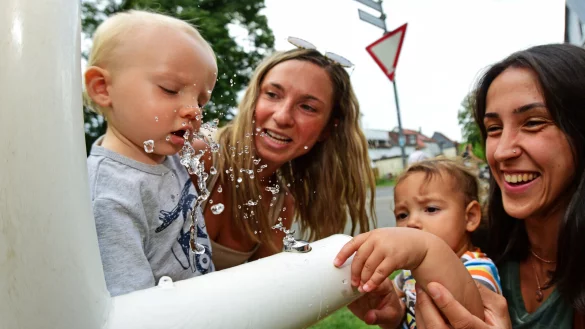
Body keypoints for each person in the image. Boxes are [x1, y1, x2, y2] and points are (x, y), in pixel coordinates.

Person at [351, 43, 585, 329]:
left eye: (533, 122)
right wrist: (396, 318)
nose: (501, 152)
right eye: (494, 129)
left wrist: (425, 248)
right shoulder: (488, 246)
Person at [193, 43, 376, 270]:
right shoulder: (198, 157)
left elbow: (258, 293)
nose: (282, 116)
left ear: (328, 128)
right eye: (272, 94)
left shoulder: (279, 205)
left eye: (307, 107)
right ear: (254, 98)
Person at [83, 10, 217, 296]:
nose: (194, 110)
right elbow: (130, 305)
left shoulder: (164, 153)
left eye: (201, 100)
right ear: (103, 88)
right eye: (170, 89)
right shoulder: (108, 195)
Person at [334, 158, 501, 328]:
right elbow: (398, 307)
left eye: (431, 209)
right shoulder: (409, 273)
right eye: (402, 215)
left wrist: (426, 249)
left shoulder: (478, 267)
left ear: (470, 217)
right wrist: (392, 312)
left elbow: (470, 313)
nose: (412, 222)